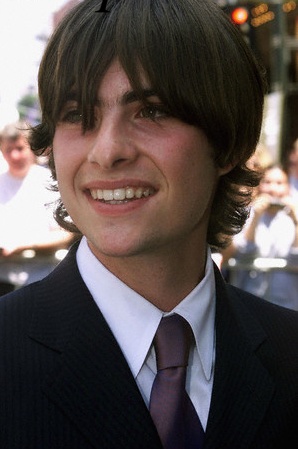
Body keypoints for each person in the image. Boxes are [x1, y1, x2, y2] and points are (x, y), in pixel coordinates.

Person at [0, 1, 297, 448]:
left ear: (230, 140)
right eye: (78, 115)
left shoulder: (290, 355)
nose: (107, 150)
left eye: (152, 110)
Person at [0, 121, 73, 294]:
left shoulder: (51, 183)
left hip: (41, 278)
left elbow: (66, 233)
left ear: (32, 148)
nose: (14, 156)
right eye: (8, 150)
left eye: (19, 148)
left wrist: (24, 245)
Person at [223, 164, 298, 311]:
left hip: (286, 305)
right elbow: (242, 252)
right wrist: (256, 217)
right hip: (249, 303)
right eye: (267, 182)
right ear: (259, 186)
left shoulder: (293, 217)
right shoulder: (247, 214)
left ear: (288, 187)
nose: (273, 189)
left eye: (279, 183)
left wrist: (296, 221)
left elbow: (295, 257)